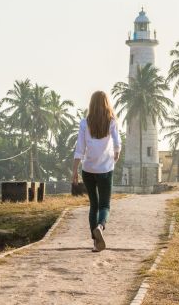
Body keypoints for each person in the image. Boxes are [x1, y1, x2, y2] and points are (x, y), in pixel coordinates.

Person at [72, 91, 122, 252]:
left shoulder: (84, 123)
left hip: (88, 169)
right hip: (105, 169)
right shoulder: (111, 121)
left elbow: (80, 148)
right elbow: (117, 141)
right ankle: (100, 226)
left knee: (93, 205)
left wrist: (74, 171)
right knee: (105, 205)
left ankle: (95, 243)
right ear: (106, 104)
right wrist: (116, 152)